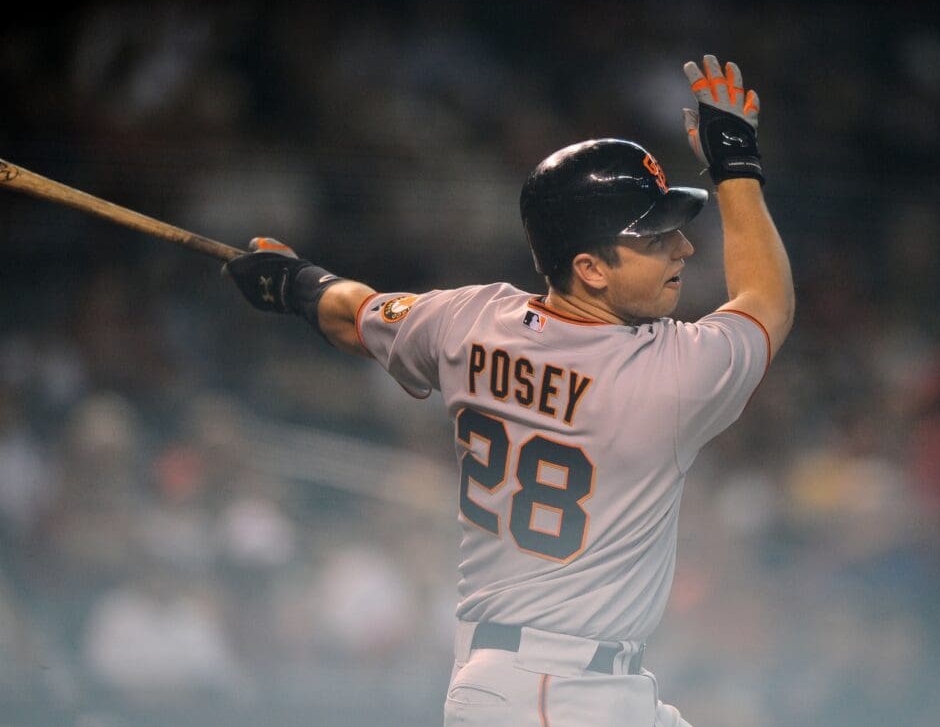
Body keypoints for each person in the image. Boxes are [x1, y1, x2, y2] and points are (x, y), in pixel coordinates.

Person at [226, 55, 794, 726]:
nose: (683, 251)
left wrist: (295, 284)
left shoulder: (467, 321)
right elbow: (767, 301)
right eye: (656, 237)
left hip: (545, 687)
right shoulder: (669, 375)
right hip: (559, 696)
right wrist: (735, 168)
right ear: (590, 269)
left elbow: (356, 313)